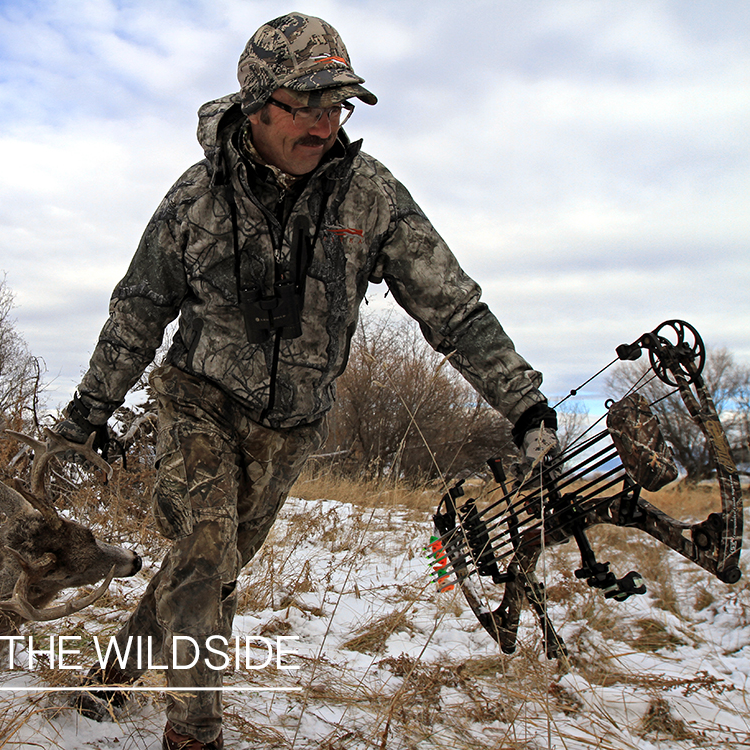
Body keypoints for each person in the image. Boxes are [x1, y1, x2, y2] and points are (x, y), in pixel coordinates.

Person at [55, 12, 557, 750]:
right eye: (307, 106)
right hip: (198, 399)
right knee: (202, 552)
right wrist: (84, 414)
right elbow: (137, 313)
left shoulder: (371, 197)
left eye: (337, 106)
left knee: (209, 567)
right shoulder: (191, 202)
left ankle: (110, 678)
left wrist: (521, 402)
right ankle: (194, 734)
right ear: (256, 106)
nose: (325, 124)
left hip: (292, 423)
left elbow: (450, 305)